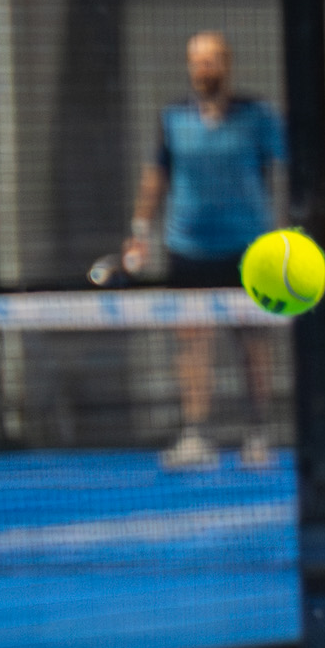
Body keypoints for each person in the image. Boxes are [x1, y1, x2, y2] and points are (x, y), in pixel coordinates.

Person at [122, 31, 287, 469]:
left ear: (227, 64)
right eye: (196, 60)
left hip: (248, 249)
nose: (203, 68)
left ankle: (257, 433)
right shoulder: (173, 118)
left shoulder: (257, 116)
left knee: (253, 341)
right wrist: (139, 230)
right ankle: (196, 435)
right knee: (192, 340)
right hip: (188, 248)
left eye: (211, 60)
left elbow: (296, 158)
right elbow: (156, 176)